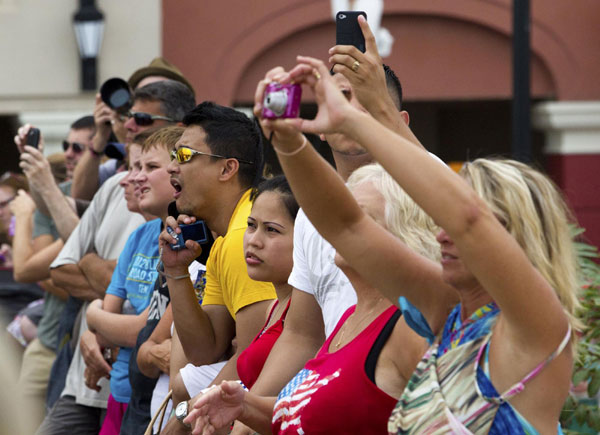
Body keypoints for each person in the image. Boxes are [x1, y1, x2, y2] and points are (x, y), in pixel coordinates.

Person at [246, 52, 578, 433]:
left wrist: (357, 118)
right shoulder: (446, 312)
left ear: (518, 238)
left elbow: (468, 220)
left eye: (451, 220)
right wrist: (286, 137)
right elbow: (347, 226)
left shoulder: (536, 327)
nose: (441, 233)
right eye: (440, 220)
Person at [185, 162, 440, 434]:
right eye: (343, 215)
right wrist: (245, 406)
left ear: (405, 234)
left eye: (362, 218)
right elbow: (310, 413)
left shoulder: (409, 326)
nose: (341, 226)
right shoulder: (348, 317)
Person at [157, 102, 277, 433]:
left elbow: (255, 363)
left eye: (183, 156)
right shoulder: (227, 239)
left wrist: (181, 420)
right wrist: (177, 273)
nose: (171, 167)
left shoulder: (244, 237)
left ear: (227, 169)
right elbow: (204, 350)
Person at [84, 126, 184, 434]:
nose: (133, 177)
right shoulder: (139, 236)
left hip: (157, 395)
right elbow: (107, 325)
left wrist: (93, 314)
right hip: (122, 391)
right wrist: (98, 322)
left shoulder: (181, 240)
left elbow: (140, 329)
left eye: (149, 167)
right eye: (134, 167)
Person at [72, 76, 195, 201]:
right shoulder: (117, 167)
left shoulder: (192, 176)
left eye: (142, 119)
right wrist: (100, 137)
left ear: (178, 127)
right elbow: (80, 197)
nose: (128, 125)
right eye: (129, 115)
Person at [236, 175, 299, 390]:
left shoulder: (309, 316)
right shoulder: (274, 307)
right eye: (251, 225)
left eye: (271, 229)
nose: (253, 240)